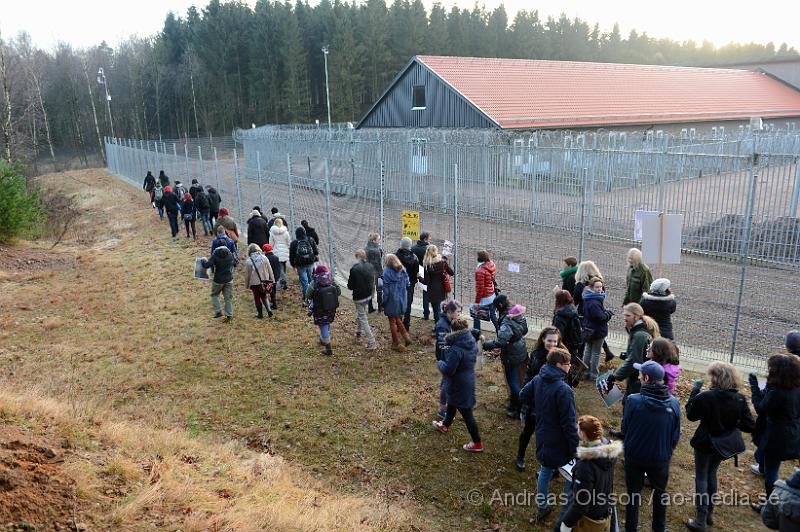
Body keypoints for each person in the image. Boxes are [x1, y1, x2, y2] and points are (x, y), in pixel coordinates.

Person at [685, 362, 755, 531]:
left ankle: (701, 520)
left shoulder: (707, 396)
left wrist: (694, 391)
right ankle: (709, 514)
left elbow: (690, 415)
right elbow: (749, 426)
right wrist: (733, 422)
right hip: (723, 445)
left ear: (716, 377)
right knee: (712, 473)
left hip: (705, 442)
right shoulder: (739, 398)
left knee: (702, 476)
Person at [519, 348, 579, 521]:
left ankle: (542, 506)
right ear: (559, 365)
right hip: (561, 439)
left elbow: (523, 395)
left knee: (545, 469)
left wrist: (539, 408)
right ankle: (566, 513)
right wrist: (576, 447)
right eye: (568, 364)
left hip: (543, 433)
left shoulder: (538, 378)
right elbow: (569, 424)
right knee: (570, 473)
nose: (570, 367)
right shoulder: (564, 390)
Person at [621, 360, 681, 532]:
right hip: (660, 458)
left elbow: (625, 428)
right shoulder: (674, 403)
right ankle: (659, 529)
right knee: (660, 493)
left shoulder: (633, 400)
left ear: (646, 378)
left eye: (640, 374)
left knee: (633, 493)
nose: (638, 376)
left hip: (635, 456)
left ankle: (630, 528)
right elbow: (675, 434)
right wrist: (667, 451)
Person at [557, 415, 622, 532]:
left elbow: (581, 504)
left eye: (578, 429)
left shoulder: (585, 466)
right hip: (602, 509)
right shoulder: (609, 453)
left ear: (582, 434)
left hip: (587, 520)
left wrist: (565, 525)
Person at [749, 354, 800, 500]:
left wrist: (754, 385)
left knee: (772, 471)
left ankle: (771, 504)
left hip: (777, 437)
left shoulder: (778, 392)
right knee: (768, 462)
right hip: (793, 432)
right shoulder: (795, 387)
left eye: (771, 368)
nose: (769, 370)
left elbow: (761, 408)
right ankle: (762, 469)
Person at [517, 326, 566, 472]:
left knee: (551, 435)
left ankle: (551, 464)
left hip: (554, 401)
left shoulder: (562, 354)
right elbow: (529, 374)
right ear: (543, 339)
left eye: (555, 341)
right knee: (528, 430)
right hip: (536, 400)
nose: (552, 344)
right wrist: (526, 398)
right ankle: (520, 456)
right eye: (549, 340)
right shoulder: (537, 354)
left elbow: (566, 374)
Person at [432, 316, 483, 453]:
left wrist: (440, 363)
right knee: (452, 402)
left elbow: (449, 370)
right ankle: (445, 425)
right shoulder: (471, 340)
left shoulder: (456, 349)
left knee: (467, 414)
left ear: (453, 330)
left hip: (459, 384)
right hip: (467, 380)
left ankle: (477, 442)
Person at [482, 295, 528, 418]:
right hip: (521, 348)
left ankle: (524, 407)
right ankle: (514, 403)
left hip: (511, 354)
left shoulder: (506, 320)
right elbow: (525, 330)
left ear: (500, 306)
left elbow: (501, 341)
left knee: (512, 381)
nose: (496, 310)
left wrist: (486, 345)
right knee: (518, 379)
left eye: (496, 308)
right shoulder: (516, 312)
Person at [607, 303, 660, 404]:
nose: (624, 318)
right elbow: (639, 354)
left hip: (639, 379)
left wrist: (615, 376)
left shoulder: (640, 335)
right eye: (624, 315)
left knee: (630, 405)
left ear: (636, 316)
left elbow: (634, 361)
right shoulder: (637, 331)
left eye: (628, 315)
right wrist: (628, 354)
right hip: (638, 377)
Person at [573, 260, 614, 362]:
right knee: (597, 334)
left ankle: (581, 360)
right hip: (598, 311)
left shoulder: (580, 285)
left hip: (584, 314)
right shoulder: (599, 283)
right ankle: (607, 351)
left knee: (586, 337)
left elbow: (575, 301)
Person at [305, 264, 340, 356]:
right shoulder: (331, 280)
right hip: (331, 308)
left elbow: (308, 295)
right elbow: (339, 292)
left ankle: (328, 348)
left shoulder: (314, 282)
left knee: (323, 324)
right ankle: (323, 339)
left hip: (319, 309)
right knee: (327, 322)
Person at [435, 300, 463, 418]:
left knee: (446, 383)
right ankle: (442, 409)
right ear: (450, 312)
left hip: (448, 358)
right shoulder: (442, 326)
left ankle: (446, 405)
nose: (459, 314)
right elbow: (444, 347)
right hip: (446, 359)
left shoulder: (449, 321)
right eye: (458, 312)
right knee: (447, 383)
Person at [201, 236, 238, 322]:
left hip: (218, 280)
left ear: (217, 246)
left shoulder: (215, 254)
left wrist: (203, 260)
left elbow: (206, 265)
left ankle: (218, 311)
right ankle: (229, 315)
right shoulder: (230, 254)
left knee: (214, 295)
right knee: (228, 298)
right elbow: (236, 263)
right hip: (229, 279)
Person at [347, 249, 378, 351]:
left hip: (359, 297)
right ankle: (358, 331)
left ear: (357, 257)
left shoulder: (354, 269)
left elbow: (350, 286)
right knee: (361, 314)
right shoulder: (370, 266)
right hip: (368, 295)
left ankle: (372, 341)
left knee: (363, 317)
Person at [581, 277, 610, 381]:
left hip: (588, 329)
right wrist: (607, 314)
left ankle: (585, 371)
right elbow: (600, 317)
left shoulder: (587, 298)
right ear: (592, 287)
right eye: (597, 287)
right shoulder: (595, 301)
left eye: (601, 287)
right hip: (597, 331)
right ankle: (593, 374)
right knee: (595, 353)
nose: (599, 289)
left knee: (588, 351)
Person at [383, 253, 412, 352]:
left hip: (391, 300)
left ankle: (395, 343)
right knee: (397, 318)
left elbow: (386, 291)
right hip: (402, 299)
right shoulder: (403, 269)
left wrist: (383, 302)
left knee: (392, 321)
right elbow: (408, 283)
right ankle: (406, 337)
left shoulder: (386, 272)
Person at [422, 245, 454, 324]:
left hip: (432, 291)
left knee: (436, 310)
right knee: (440, 309)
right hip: (442, 289)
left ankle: (439, 327)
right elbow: (452, 273)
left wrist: (419, 277)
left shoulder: (427, 265)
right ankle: (442, 326)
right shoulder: (442, 263)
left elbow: (426, 282)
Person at [243, 243, 275, 319]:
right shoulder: (264, 258)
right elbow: (270, 270)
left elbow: (247, 275)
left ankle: (260, 314)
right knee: (264, 296)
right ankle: (269, 310)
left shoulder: (248, 261)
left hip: (254, 283)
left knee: (257, 297)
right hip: (265, 281)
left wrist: (247, 285)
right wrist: (272, 280)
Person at [396, 237, 420, 332]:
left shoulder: (395, 256)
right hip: (409, 284)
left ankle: (399, 325)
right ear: (409, 245)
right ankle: (406, 325)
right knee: (408, 304)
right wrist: (414, 281)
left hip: (398, 283)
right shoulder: (414, 258)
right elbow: (416, 273)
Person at [289, 226, 319, 296]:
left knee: (304, 282)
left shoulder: (294, 243)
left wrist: (293, 265)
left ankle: (307, 298)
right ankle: (314, 296)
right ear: (304, 232)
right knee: (311, 280)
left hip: (300, 264)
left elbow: (291, 255)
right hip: (310, 262)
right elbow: (316, 252)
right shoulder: (310, 240)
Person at [552, 289, 582, 358]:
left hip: (564, 346)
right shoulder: (573, 309)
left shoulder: (560, 316)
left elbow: (557, 334)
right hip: (573, 344)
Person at [473, 250, 498, 331]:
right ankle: (500, 331)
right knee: (493, 315)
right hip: (492, 294)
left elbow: (480, 288)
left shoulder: (480, 271)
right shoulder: (492, 265)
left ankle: (476, 333)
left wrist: (477, 302)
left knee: (476, 314)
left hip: (485, 296)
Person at [412, 232, 431, 319]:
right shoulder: (427, 249)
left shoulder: (413, 247)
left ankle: (407, 308)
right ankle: (426, 313)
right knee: (425, 292)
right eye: (429, 238)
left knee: (410, 290)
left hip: (415, 271)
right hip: (425, 272)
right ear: (425, 239)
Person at [366, 233, 384, 313]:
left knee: (369, 290)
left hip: (368, 272)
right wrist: (381, 274)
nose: (379, 241)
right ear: (374, 241)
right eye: (378, 239)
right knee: (379, 290)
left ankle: (370, 307)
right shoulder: (377, 250)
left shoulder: (365, 249)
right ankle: (380, 308)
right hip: (377, 273)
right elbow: (378, 264)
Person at [262, 244, 281, 311]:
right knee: (274, 290)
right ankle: (273, 302)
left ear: (264, 250)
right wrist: (278, 276)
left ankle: (274, 304)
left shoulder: (264, 258)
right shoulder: (276, 257)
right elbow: (279, 268)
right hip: (275, 276)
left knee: (269, 291)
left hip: (268, 277)